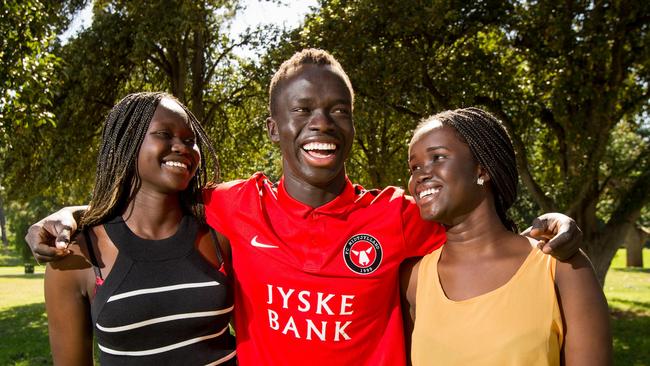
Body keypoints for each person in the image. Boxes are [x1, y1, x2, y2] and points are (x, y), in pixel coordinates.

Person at [27, 49, 582, 366]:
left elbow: (481, 231)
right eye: (304, 109)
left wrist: (554, 226)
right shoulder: (230, 207)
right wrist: (71, 215)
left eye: (338, 110)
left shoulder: (398, 215)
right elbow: (146, 194)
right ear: (274, 128)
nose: (322, 122)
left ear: (352, 128)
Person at [401, 108, 611, 365]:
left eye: (438, 157)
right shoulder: (413, 281)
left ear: (482, 170)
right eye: (414, 166)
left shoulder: (561, 266)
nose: (420, 175)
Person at [43, 92, 236, 365]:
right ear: (127, 143)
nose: (182, 146)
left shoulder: (219, 236)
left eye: (190, 140)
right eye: (164, 134)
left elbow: (260, 337)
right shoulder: (75, 257)